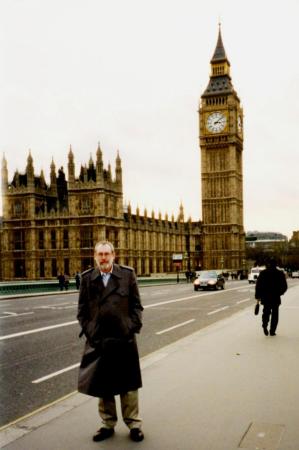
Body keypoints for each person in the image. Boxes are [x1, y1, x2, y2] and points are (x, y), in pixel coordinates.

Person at [77, 240, 144, 442]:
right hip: (100, 340)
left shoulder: (127, 274)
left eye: (107, 254)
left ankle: (133, 424)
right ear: (95, 256)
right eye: (100, 254)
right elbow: (82, 312)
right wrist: (92, 333)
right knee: (103, 385)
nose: (104, 258)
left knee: (128, 385)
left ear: (114, 255)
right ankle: (107, 424)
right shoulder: (87, 278)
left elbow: (136, 306)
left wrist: (130, 328)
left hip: (123, 339)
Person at [255, 257, 287, 336]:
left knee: (266, 312)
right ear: (276, 264)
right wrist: (280, 292)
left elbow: (258, 286)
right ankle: (272, 330)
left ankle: (265, 325)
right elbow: (284, 286)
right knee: (275, 314)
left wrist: (258, 296)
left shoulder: (263, 273)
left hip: (265, 297)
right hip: (275, 297)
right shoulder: (280, 273)